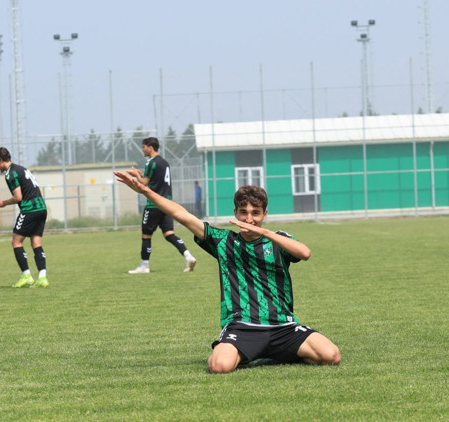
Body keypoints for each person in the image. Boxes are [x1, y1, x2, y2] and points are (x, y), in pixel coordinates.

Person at [114, 170, 341, 373]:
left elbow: (305, 253)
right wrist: (145, 191)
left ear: (265, 214)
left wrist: (266, 233)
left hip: (283, 326)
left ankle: (273, 354)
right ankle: (247, 351)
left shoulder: (278, 239)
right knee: (219, 366)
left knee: (331, 356)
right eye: (243, 212)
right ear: (235, 213)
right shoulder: (223, 240)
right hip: (243, 327)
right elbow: (182, 215)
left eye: (255, 213)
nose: (249, 219)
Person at [127, 137, 196, 274]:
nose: (142, 149)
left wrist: (135, 175)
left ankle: (144, 266)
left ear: (151, 148)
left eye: (144, 147)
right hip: (167, 204)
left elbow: (144, 183)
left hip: (154, 204)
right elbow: (155, 179)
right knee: (169, 233)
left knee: (146, 235)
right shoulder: (164, 163)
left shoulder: (151, 162)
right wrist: (141, 175)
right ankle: (188, 256)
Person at [0, 147, 49, 288]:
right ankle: (42, 277)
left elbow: (18, 197)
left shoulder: (10, 173)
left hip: (29, 209)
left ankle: (26, 276)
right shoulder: (22, 169)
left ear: (0, 160)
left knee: (16, 242)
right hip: (41, 208)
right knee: (36, 242)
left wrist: (3, 203)